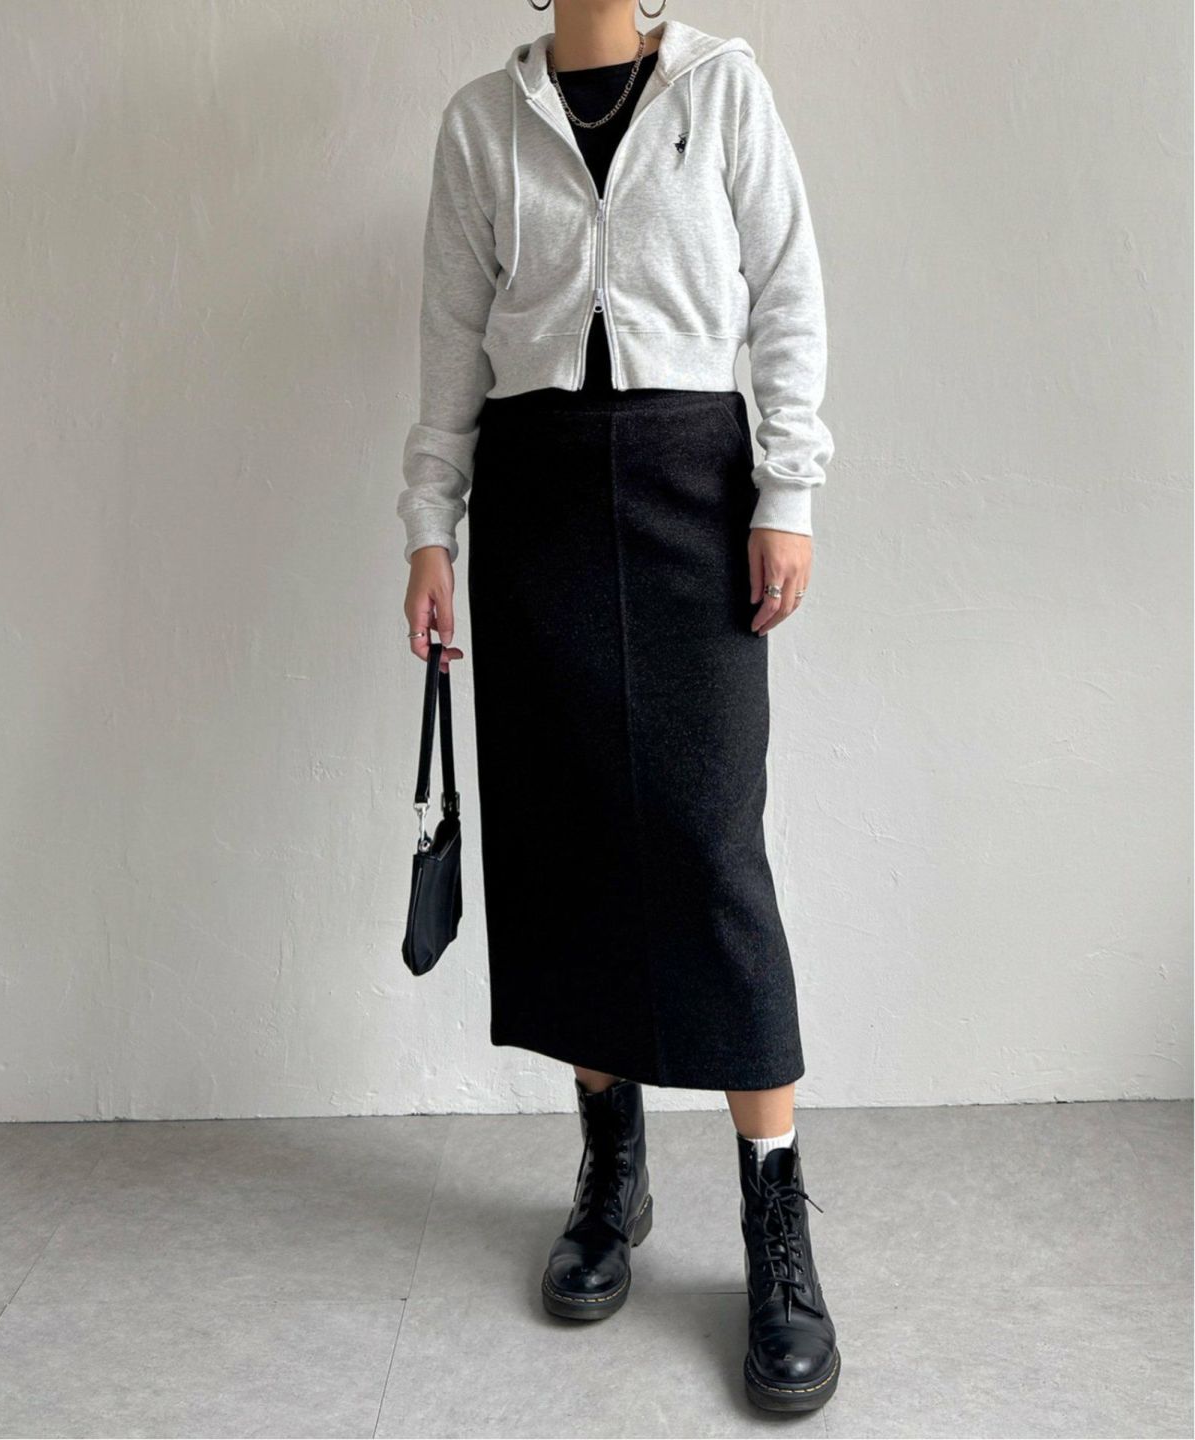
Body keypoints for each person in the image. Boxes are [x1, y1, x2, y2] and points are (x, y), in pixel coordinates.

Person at [398, 0, 839, 1413]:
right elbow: (450, 343)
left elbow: (786, 288)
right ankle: (611, 1168)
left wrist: (787, 493)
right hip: (533, 500)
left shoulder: (723, 88)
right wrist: (429, 528)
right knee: (572, 839)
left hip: (691, 479)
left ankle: (774, 1211)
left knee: (710, 847)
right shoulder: (483, 123)